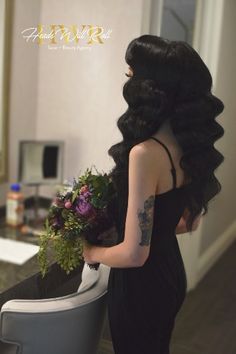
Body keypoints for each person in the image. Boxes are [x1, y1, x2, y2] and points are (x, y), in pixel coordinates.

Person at [82, 35, 225, 354]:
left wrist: (92, 252)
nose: (127, 82)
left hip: (140, 289)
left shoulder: (145, 154)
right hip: (171, 275)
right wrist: (139, 228)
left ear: (150, 88)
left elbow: (134, 254)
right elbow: (188, 223)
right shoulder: (189, 144)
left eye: (131, 74)